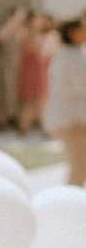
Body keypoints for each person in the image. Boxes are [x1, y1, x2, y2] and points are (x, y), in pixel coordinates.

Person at [44, 19, 86, 184]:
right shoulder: (64, 57)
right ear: (72, 33)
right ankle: (71, 201)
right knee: (79, 166)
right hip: (72, 119)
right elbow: (67, 89)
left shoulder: (78, 53)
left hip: (78, 118)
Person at [0, 7, 26, 130]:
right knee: (2, 94)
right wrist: (12, 24)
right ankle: (1, 120)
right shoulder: (5, 29)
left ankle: (13, 118)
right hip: (3, 68)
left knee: (13, 95)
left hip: (16, 67)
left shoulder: (21, 31)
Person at [18, 12, 54, 134]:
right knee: (34, 102)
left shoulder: (46, 36)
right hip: (34, 72)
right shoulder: (29, 36)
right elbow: (41, 54)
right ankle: (27, 128)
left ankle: (44, 128)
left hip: (41, 71)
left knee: (41, 102)